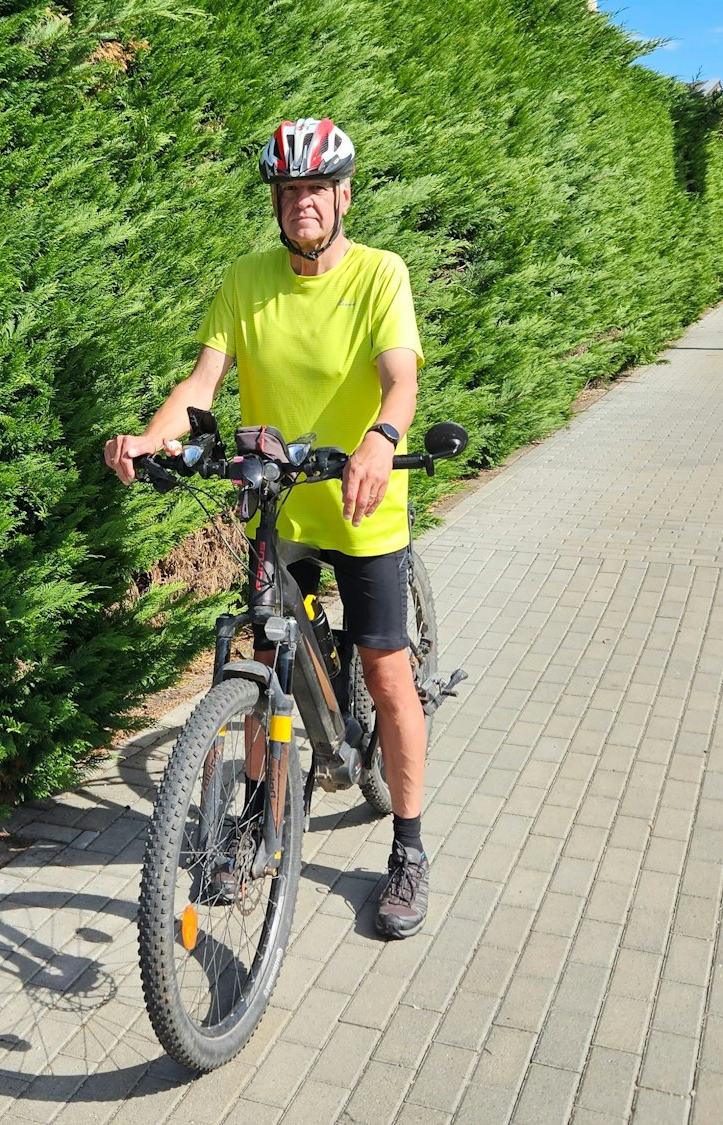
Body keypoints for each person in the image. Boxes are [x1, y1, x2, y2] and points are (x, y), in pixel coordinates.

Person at [102, 118, 432, 939]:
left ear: (343, 195)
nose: (302, 203)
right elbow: (202, 383)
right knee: (264, 660)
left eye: (316, 189)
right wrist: (152, 436)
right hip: (280, 501)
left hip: (360, 506)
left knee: (389, 676)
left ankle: (409, 847)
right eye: (289, 192)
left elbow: (399, 380)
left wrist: (379, 442)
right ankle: (256, 823)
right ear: (277, 203)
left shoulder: (380, 275)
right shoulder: (247, 280)